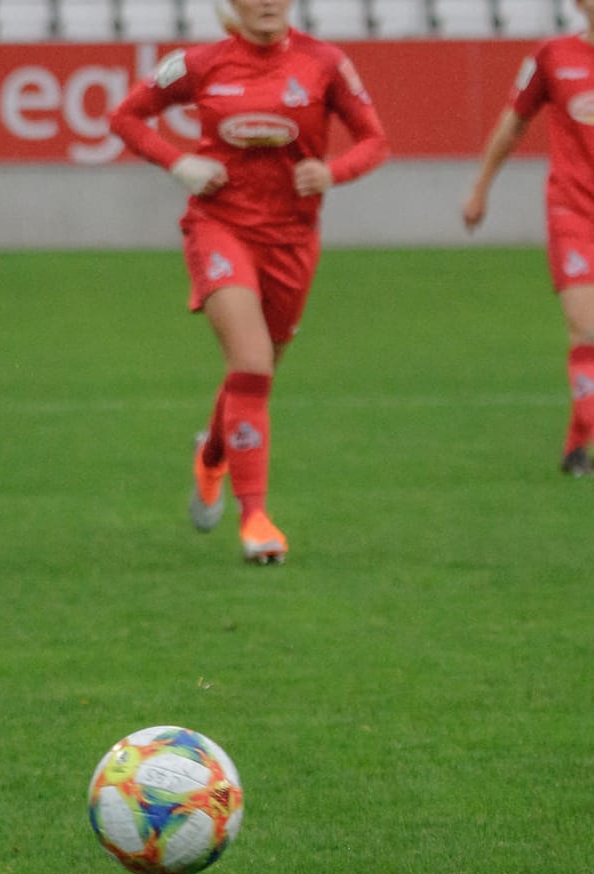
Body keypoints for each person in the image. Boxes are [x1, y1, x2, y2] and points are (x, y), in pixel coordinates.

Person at [108, 0, 387, 564]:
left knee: (253, 372)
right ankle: (255, 518)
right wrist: (178, 162)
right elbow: (126, 116)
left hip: (292, 241)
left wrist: (333, 171)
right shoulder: (200, 63)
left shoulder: (326, 63)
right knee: (253, 363)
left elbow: (375, 140)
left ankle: (212, 455)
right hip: (219, 227)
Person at [462, 0, 594, 479]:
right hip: (572, 210)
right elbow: (513, 122)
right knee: (588, 331)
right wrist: (481, 187)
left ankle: (575, 446)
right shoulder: (551, 56)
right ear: (578, 4)